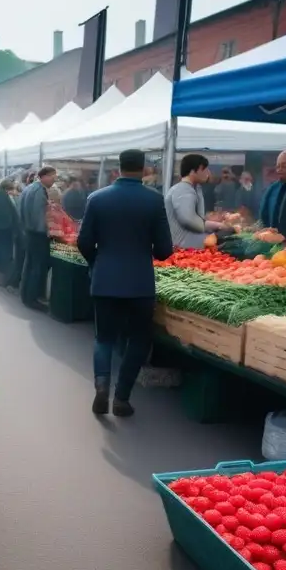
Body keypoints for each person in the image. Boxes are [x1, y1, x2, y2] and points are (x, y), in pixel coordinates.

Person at [77, 149, 173, 417]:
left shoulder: (96, 199)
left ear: (117, 169)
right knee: (139, 340)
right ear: (144, 169)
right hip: (139, 283)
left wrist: (98, 262)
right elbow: (164, 250)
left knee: (104, 338)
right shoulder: (154, 201)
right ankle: (122, 398)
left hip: (105, 279)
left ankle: (101, 386)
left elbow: (83, 241)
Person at [165, 154, 228, 248]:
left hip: (188, 246)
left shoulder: (190, 188)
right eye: (204, 169)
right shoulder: (183, 190)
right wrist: (220, 225)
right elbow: (189, 220)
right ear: (193, 171)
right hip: (183, 248)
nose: (208, 173)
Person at [18, 165, 56, 310]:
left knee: (29, 264)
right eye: (52, 176)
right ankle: (32, 298)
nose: (54, 180)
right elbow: (39, 215)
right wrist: (47, 231)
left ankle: (25, 295)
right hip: (37, 234)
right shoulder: (39, 190)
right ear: (44, 176)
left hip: (28, 232)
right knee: (37, 267)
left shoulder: (28, 188)